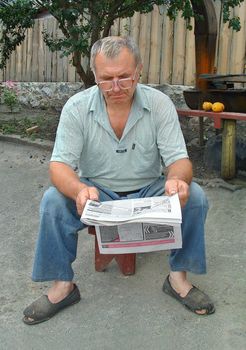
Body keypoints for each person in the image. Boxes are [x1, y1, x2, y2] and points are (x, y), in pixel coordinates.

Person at [23, 36, 215, 325]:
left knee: (195, 196)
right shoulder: (77, 107)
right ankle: (62, 286)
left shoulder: (158, 104)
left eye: (124, 77)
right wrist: (78, 189)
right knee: (53, 200)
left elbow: (179, 160)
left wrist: (176, 180)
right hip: (97, 192)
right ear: (95, 76)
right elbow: (59, 166)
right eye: (106, 79)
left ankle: (178, 279)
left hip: (149, 190)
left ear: (139, 70)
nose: (115, 88)